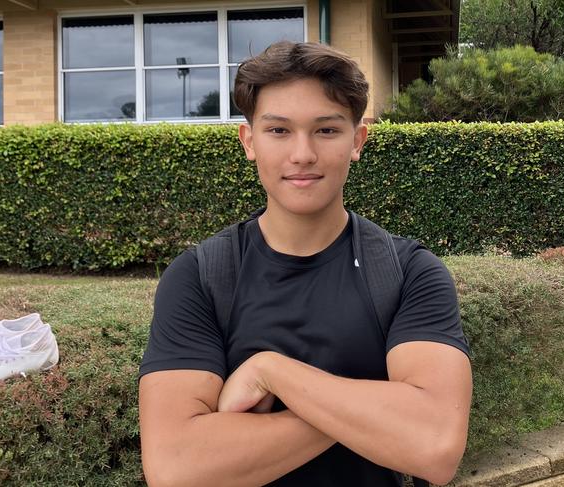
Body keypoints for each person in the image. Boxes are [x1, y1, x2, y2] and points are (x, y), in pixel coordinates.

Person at [138, 41, 472, 487]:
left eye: (326, 130)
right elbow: (176, 468)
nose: (302, 155)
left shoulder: (411, 273)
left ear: (357, 140)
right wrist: (369, 415)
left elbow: (433, 446)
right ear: (249, 141)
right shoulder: (199, 277)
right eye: (279, 131)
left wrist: (269, 371)